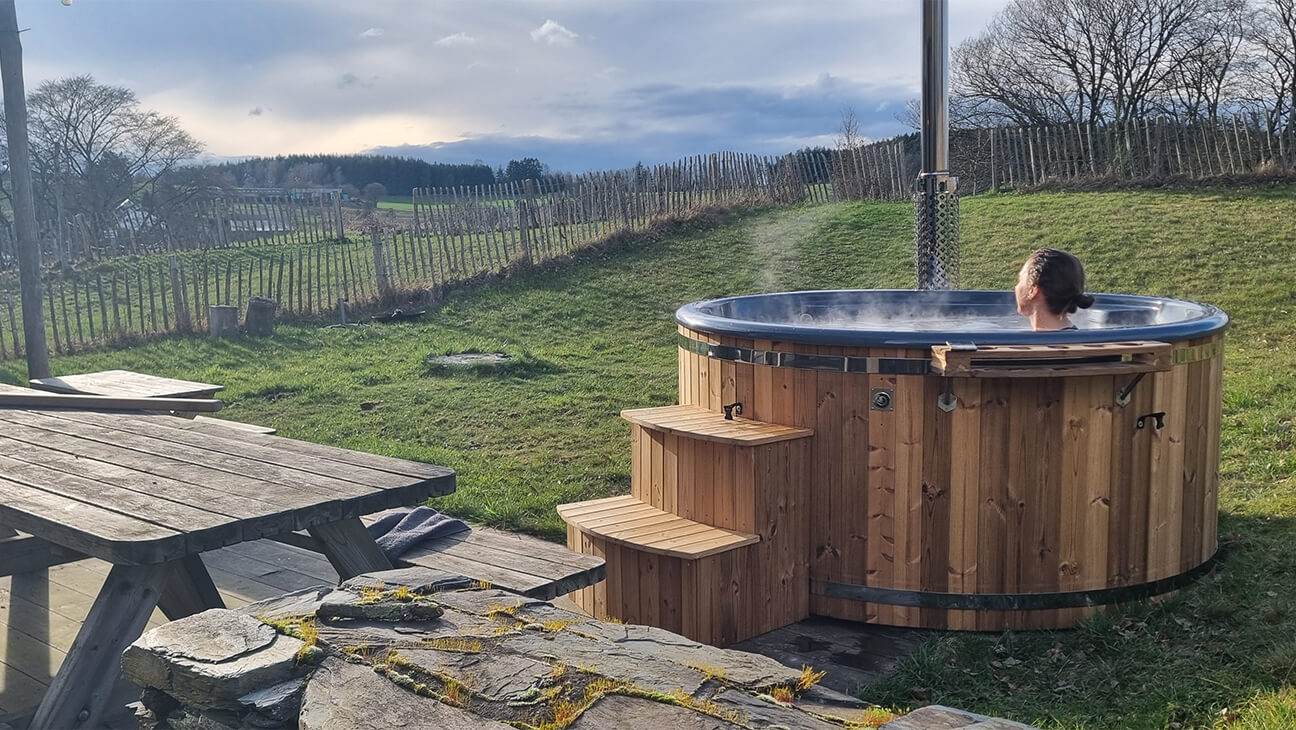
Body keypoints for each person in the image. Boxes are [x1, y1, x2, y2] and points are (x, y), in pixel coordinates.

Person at [1014, 248, 1095, 331]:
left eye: (1020, 279)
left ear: (1033, 291)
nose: (1016, 287)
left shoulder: (1034, 342)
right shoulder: (1078, 341)